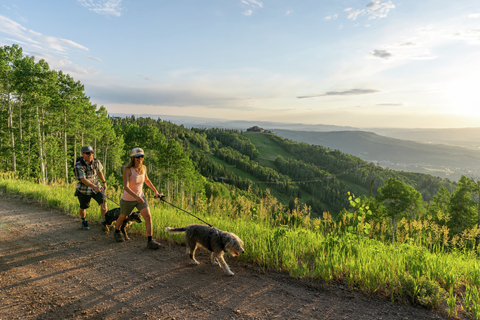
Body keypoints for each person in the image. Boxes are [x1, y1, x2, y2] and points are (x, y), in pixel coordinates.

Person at [114, 147, 162, 249]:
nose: (140, 159)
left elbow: (147, 180)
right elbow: (126, 187)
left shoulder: (143, 168)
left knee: (148, 216)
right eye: (137, 157)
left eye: (141, 156)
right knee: (123, 216)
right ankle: (117, 231)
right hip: (128, 199)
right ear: (133, 158)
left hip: (140, 197)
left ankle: (150, 241)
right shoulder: (127, 169)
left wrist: (155, 191)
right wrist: (136, 197)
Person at [74, 146, 108, 230]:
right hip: (84, 190)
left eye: (92, 152)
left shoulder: (96, 162)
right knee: (83, 207)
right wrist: (94, 186)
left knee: (103, 202)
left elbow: (99, 172)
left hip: (96, 187)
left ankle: (105, 222)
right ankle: (84, 221)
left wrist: (104, 182)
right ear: (83, 154)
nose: (90, 154)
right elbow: (83, 179)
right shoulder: (78, 165)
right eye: (88, 153)